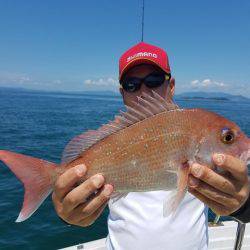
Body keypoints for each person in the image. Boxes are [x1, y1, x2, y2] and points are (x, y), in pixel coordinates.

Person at [52, 42, 250, 249]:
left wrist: (242, 203)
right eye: (132, 84)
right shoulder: (110, 142)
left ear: (171, 86)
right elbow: (76, 205)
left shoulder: (197, 132)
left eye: (154, 81)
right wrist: (68, 214)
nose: (144, 92)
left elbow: (243, 195)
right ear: (122, 92)